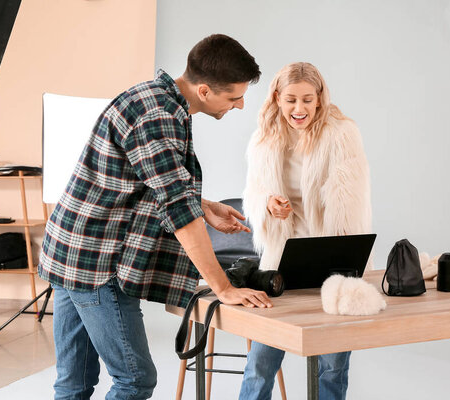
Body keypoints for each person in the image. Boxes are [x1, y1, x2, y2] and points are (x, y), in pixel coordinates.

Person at [38, 34, 273, 400]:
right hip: (97, 263)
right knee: (134, 381)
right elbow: (179, 213)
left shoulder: (156, 98)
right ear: (206, 90)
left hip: (69, 250)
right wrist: (224, 289)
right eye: (234, 97)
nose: (241, 105)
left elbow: (144, 178)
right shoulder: (157, 117)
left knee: (74, 384)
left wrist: (205, 205)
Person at [240, 62, 372, 400]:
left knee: (332, 366)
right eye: (290, 100)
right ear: (277, 99)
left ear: (319, 99)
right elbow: (254, 193)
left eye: (307, 100)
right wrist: (269, 205)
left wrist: (344, 244)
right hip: (280, 260)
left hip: (331, 260)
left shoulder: (342, 134)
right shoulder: (264, 139)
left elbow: (350, 197)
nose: (299, 109)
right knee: (261, 362)